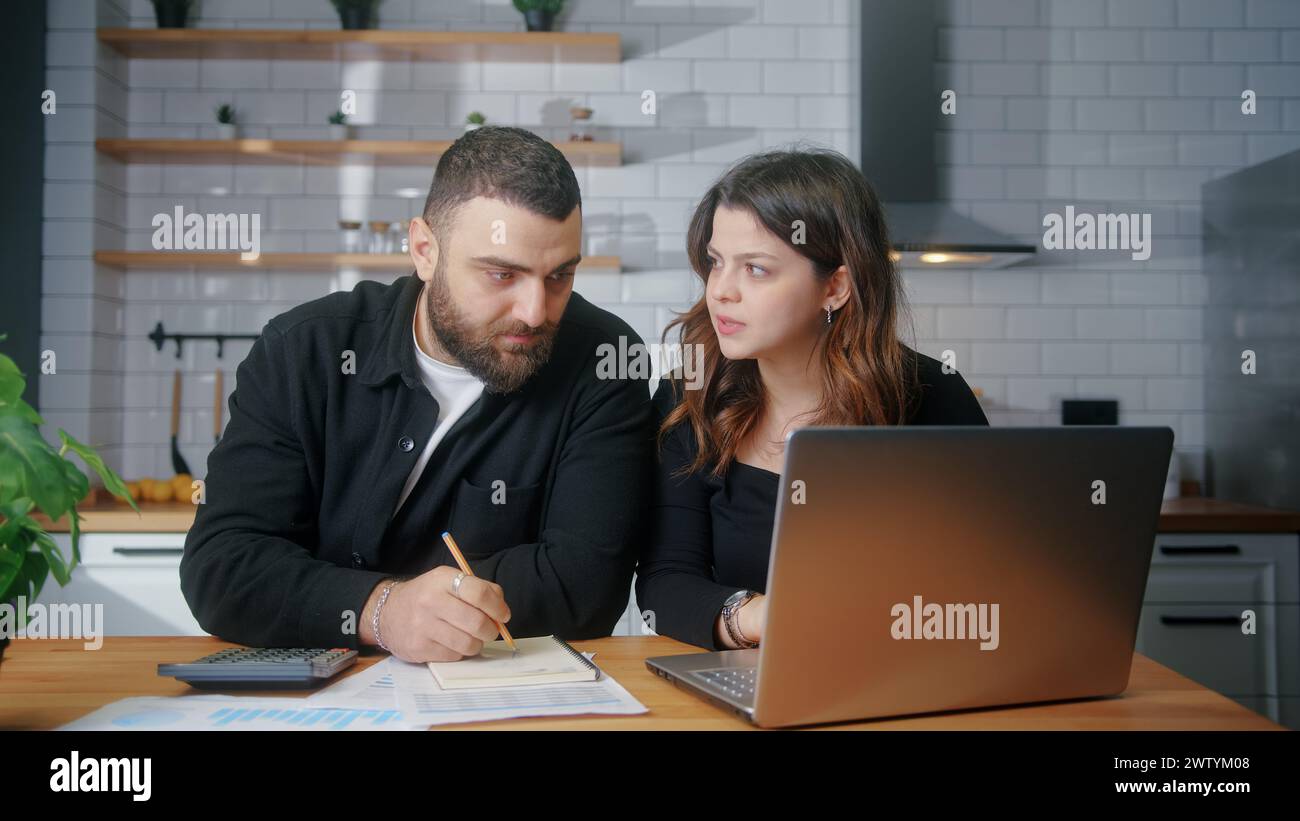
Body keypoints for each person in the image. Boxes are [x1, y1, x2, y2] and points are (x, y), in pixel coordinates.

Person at [182, 127, 653, 662]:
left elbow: (586, 587)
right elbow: (221, 567)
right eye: (502, 274)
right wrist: (382, 610)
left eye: (559, 276)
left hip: (497, 692)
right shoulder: (303, 351)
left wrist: (331, 593)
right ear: (425, 251)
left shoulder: (605, 361)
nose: (535, 311)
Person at [637, 148, 989, 651]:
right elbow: (665, 582)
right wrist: (761, 617)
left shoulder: (933, 395)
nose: (720, 291)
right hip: (754, 673)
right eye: (716, 263)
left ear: (836, 287)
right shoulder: (690, 397)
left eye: (756, 269)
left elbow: (983, 573)